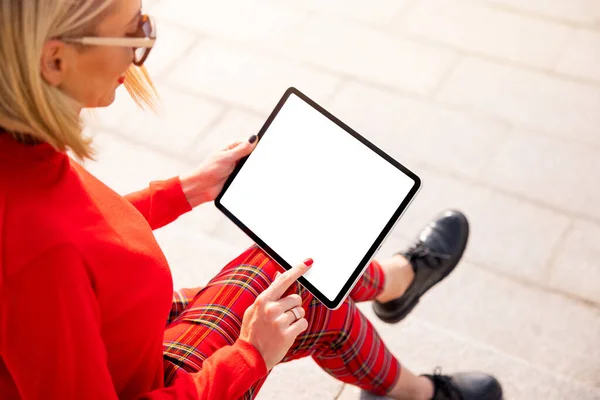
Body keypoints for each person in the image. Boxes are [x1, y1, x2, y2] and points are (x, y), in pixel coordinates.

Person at [0, 1, 503, 399]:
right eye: (134, 31)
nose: (143, 45)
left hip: (122, 335)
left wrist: (185, 190)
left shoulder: (20, 152)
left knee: (297, 281)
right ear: (55, 59)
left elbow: (82, 229)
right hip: (148, 380)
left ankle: (396, 292)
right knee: (302, 288)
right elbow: (58, 252)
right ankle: (409, 346)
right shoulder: (39, 257)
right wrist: (249, 354)